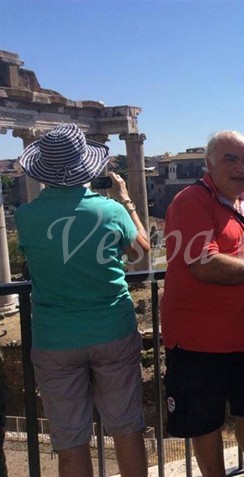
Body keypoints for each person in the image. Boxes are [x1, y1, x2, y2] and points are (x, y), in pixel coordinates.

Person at [15, 123, 150, 477]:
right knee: (127, 427)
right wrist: (125, 200)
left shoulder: (26, 217)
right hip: (113, 331)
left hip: (55, 339)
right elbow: (140, 253)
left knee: (71, 441)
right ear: (87, 167)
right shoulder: (110, 210)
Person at [161, 130, 244, 477]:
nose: (240, 168)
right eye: (230, 160)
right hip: (200, 341)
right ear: (209, 164)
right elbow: (204, 264)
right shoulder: (192, 201)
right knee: (205, 424)